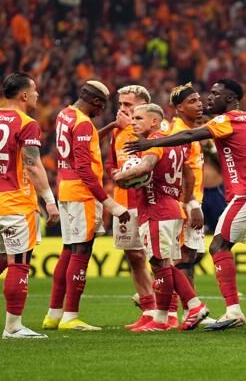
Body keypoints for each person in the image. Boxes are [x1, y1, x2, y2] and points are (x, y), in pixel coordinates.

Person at [125, 78, 246, 328]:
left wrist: (152, 143)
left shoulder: (224, 121)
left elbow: (189, 139)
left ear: (229, 98)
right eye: (198, 98)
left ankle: (229, 311)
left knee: (216, 247)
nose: (207, 100)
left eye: (214, 95)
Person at [0, 72, 60, 338]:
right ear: (24, 95)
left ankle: (13, 326)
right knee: (19, 263)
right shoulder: (27, 123)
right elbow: (33, 165)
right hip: (15, 204)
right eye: (34, 91)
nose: (37, 95)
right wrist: (50, 201)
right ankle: (13, 327)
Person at [43, 80, 131, 331]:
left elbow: (84, 143)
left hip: (65, 189)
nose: (102, 111)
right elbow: (84, 168)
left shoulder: (66, 114)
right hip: (82, 194)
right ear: (95, 101)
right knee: (82, 251)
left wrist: (112, 126)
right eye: (101, 106)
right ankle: (71, 316)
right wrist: (110, 204)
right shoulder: (82, 122)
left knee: (68, 250)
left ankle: (53, 314)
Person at [114, 104, 209, 332]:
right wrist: (188, 201)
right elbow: (188, 174)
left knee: (160, 264)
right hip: (171, 208)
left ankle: (165, 318)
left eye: (139, 118)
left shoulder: (154, 143)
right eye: (133, 118)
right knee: (164, 263)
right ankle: (188, 308)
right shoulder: (173, 142)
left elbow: (144, 168)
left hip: (157, 208)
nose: (133, 122)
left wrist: (120, 176)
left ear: (154, 121)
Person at [105, 85, 157, 330]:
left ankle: (165, 309)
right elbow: (110, 163)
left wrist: (129, 127)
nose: (122, 109)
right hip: (123, 202)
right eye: (121, 104)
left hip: (148, 201)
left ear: (143, 105)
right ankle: (148, 309)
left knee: (158, 257)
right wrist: (116, 174)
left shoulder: (154, 129)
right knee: (134, 256)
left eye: (128, 104)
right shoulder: (118, 131)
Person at [169, 83, 205, 287]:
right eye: (192, 101)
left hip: (191, 200)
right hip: (185, 202)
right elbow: (182, 172)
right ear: (179, 108)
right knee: (184, 256)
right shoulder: (180, 133)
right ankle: (182, 301)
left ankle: (187, 303)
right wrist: (191, 204)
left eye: (199, 100)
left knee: (191, 255)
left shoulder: (189, 131)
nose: (199, 104)